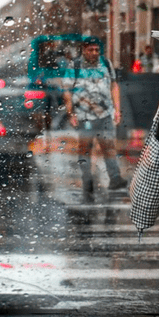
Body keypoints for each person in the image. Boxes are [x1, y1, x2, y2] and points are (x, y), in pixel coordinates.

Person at [63, 40, 127, 202]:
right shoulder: (75, 65)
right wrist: (71, 113)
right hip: (84, 116)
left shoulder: (105, 63)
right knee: (85, 148)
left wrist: (117, 109)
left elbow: (114, 85)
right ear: (84, 50)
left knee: (108, 147)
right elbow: (67, 91)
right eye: (91, 49)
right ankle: (87, 180)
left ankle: (115, 179)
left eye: (97, 50)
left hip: (105, 114)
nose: (94, 53)